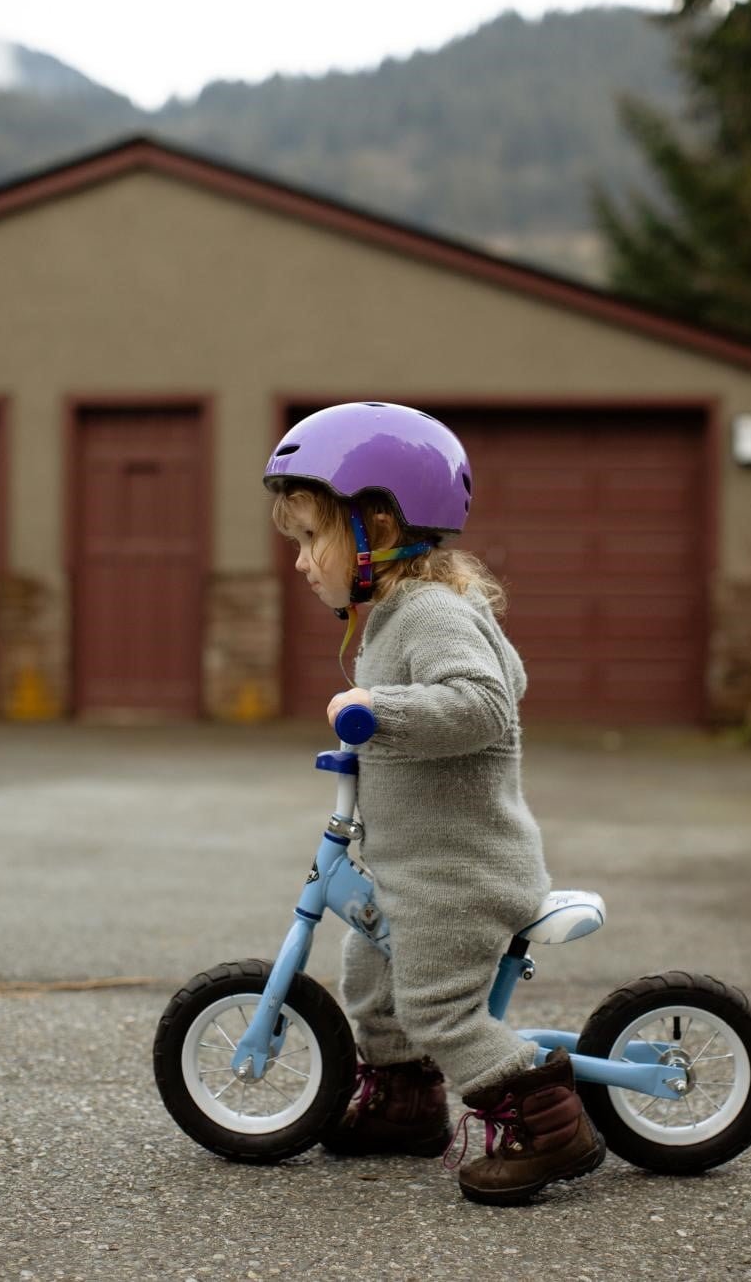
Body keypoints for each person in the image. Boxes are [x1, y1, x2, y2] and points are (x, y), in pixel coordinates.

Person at [263, 401, 604, 1206]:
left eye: (312, 537)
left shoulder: (428, 613)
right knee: (368, 974)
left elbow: (485, 704)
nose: (302, 562)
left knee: (435, 1003)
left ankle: (551, 1125)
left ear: (376, 527)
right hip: (414, 868)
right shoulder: (395, 616)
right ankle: (405, 1103)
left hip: (460, 873)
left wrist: (378, 713)